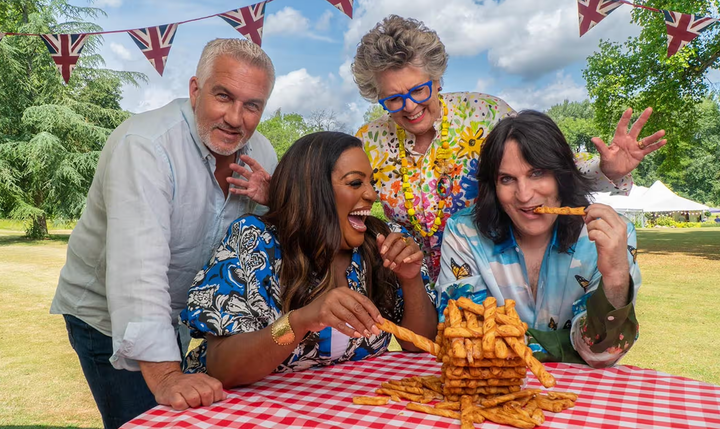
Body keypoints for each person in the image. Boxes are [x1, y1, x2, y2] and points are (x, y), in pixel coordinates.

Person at [50, 38, 278, 429]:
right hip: (104, 316)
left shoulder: (263, 154)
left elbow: (267, 246)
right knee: (148, 421)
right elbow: (138, 271)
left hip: (181, 317)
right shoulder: (145, 147)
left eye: (252, 105)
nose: (236, 118)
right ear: (195, 90)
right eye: (223, 96)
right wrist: (168, 376)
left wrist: (274, 201)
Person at [352, 15, 665, 280]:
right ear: (376, 95)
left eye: (419, 90)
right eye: (393, 98)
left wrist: (606, 169)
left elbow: (551, 170)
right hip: (415, 285)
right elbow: (349, 204)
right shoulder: (369, 142)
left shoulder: (484, 112)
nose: (409, 107)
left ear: (436, 79)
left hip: (495, 282)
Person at [180, 132, 438, 386]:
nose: (372, 194)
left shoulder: (380, 241)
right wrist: (300, 321)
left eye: (371, 182)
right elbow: (223, 368)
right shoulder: (255, 242)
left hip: (342, 409)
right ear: (314, 190)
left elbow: (419, 344)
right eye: (355, 183)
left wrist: (410, 278)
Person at [436, 111, 641, 369]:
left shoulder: (612, 235)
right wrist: (565, 346)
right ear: (492, 187)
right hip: (493, 392)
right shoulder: (463, 233)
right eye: (507, 179)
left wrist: (616, 277)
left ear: (562, 175)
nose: (524, 195)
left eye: (537, 173)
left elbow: (601, 352)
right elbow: (466, 338)